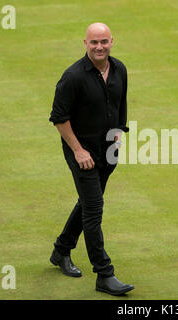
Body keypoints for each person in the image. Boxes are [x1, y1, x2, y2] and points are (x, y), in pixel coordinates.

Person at [48, 22, 134, 296]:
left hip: (107, 149)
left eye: (104, 41)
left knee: (87, 203)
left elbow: (120, 105)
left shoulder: (119, 69)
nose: (99, 47)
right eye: (94, 42)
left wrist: (119, 134)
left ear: (112, 42)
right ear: (85, 43)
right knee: (94, 208)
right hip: (81, 152)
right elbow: (59, 118)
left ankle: (61, 250)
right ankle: (104, 274)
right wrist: (78, 150)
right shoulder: (72, 77)